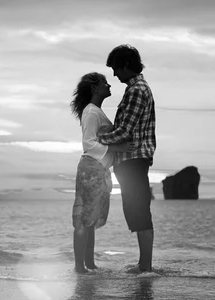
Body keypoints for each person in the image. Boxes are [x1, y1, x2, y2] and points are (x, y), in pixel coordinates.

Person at [97, 44, 156, 272]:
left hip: (133, 159)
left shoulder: (136, 90)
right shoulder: (137, 88)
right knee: (136, 210)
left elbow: (125, 131)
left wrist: (100, 137)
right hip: (132, 159)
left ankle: (146, 267)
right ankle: (144, 264)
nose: (114, 74)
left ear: (126, 65)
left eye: (115, 68)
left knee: (139, 211)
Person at [70, 72, 136, 274]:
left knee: (89, 220)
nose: (109, 85)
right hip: (91, 168)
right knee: (84, 219)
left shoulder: (95, 111)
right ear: (94, 88)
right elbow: (88, 143)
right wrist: (117, 149)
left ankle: (89, 265)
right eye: (104, 83)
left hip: (97, 168)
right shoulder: (91, 112)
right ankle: (80, 267)